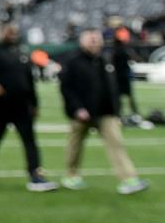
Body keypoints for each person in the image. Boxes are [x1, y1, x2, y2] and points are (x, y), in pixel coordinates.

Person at [59, 28, 149, 195]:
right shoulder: (72, 61)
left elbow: (111, 86)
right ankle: (71, 175)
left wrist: (116, 110)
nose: (94, 42)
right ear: (82, 41)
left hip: (106, 112)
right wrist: (77, 108)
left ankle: (128, 179)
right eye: (90, 39)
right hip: (83, 113)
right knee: (75, 145)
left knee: (117, 144)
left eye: (96, 39)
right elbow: (67, 88)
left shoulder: (105, 58)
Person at [0, 23, 57, 191]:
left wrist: (34, 103)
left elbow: (29, 81)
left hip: (21, 105)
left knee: (30, 140)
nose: (13, 34)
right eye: (9, 31)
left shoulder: (21, 53)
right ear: (1, 32)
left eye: (15, 31)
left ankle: (35, 175)